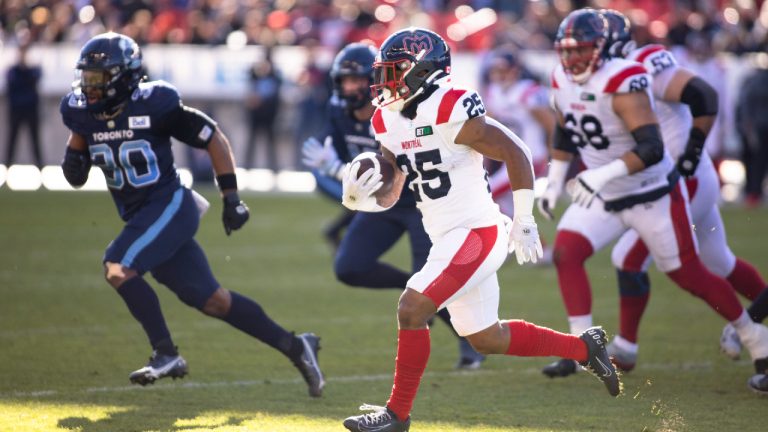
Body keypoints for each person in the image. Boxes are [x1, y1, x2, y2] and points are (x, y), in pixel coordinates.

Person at [340, 27, 621, 432]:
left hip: (476, 232)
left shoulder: (448, 104)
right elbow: (393, 188)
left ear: (422, 71)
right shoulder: (387, 118)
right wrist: (361, 193)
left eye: (394, 71)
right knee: (487, 338)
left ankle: (396, 415)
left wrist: (524, 219)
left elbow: (516, 151)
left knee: (412, 308)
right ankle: (584, 348)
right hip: (445, 236)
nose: (385, 81)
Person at [59, 32, 325, 397]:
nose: (90, 87)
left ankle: (166, 353)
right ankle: (297, 347)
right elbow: (75, 171)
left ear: (124, 76)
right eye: (87, 77)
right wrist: (76, 154)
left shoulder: (155, 104)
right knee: (214, 301)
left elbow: (212, 137)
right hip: (142, 217)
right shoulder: (81, 113)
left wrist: (231, 197)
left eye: (98, 78)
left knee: (117, 266)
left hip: (170, 205)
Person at [537, 9, 768, 379]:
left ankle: (755, 336)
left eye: (581, 49)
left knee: (688, 273)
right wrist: (554, 180)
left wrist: (690, 153)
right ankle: (583, 347)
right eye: (567, 51)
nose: (573, 59)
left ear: (604, 47)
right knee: (567, 251)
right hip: (607, 191)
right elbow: (566, 129)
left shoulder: (630, 75)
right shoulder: (561, 78)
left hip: (652, 190)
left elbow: (653, 147)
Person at [302, 42, 485, 369]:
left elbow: (394, 169)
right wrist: (340, 169)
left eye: (356, 80)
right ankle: (411, 285)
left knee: (432, 283)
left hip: (421, 203)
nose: (349, 88)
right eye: (344, 81)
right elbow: (351, 160)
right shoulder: (338, 111)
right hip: (385, 204)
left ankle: (470, 341)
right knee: (349, 267)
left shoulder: (392, 111)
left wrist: (338, 169)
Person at [5, 43, 43, 168]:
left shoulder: (32, 70)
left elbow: (37, 77)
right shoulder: (13, 71)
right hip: (16, 110)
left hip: (31, 110)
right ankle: (7, 165)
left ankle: (40, 166)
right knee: (12, 139)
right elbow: (13, 82)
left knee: (35, 140)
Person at [735, 66, 768, 208]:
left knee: (754, 162)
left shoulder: (751, 82)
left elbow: (743, 106)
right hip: (758, 127)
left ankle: (753, 192)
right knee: (758, 162)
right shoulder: (756, 83)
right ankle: (754, 192)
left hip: (754, 127)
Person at [244, 49, 282, 170]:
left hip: (269, 115)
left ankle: (273, 167)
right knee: (252, 141)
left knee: (270, 142)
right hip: (256, 115)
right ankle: (247, 165)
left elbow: (275, 96)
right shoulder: (254, 76)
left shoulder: (274, 77)